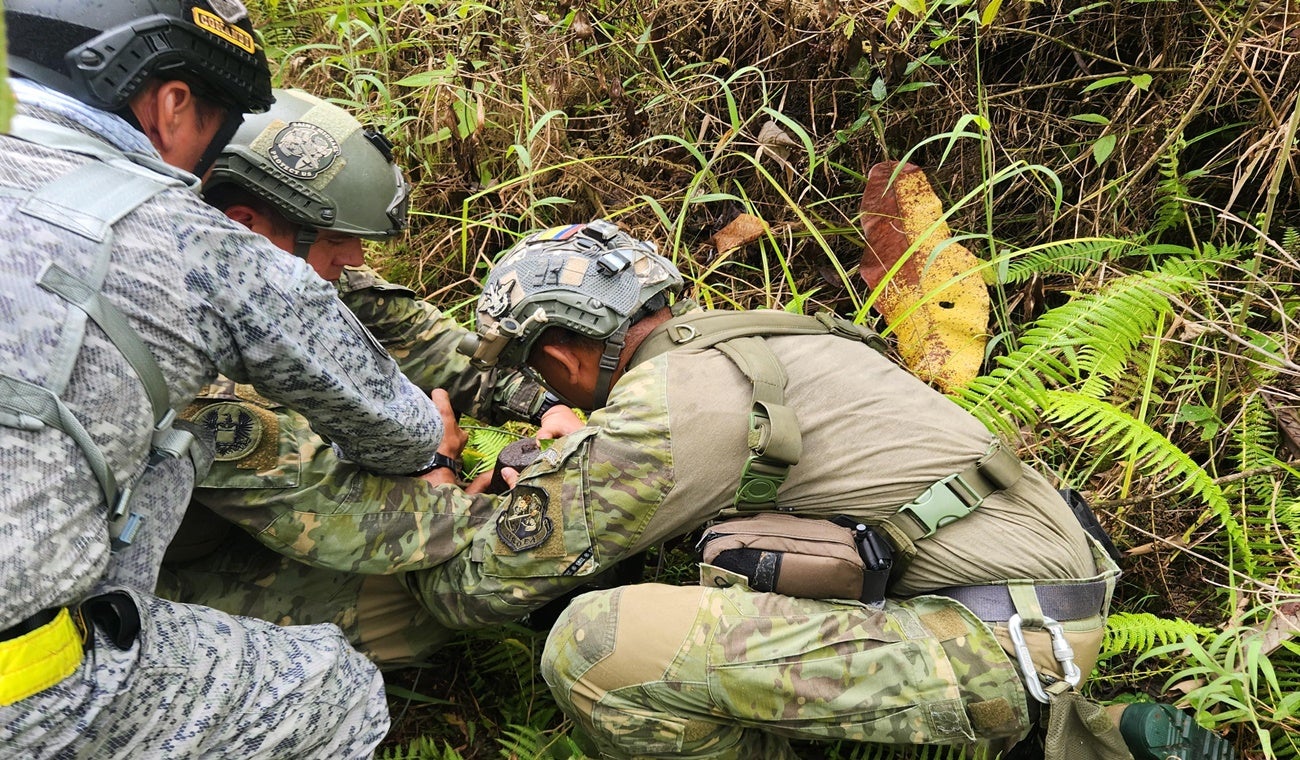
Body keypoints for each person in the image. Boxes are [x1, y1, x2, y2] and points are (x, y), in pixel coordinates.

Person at [418, 219, 1234, 759]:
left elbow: (470, 594)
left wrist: (440, 473)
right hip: (1043, 603)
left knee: (599, 645)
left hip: (995, 639)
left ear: (559, 356)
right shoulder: (763, 339)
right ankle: (1095, 738)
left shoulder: (665, 413)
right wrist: (587, 454)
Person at [0, 2, 448, 757]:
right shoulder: (192, 239)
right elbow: (399, 430)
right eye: (221, 119)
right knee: (334, 689)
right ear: (172, 103)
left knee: (166, 453)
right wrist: (438, 441)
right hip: (21, 688)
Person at [158, 87, 580, 665]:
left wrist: (544, 405)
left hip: (239, 518)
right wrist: (451, 480)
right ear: (247, 226)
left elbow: (437, 349)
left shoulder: (276, 269)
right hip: (127, 585)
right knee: (432, 597)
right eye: (336, 240)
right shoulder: (180, 353)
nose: (355, 258)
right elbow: (334, 508)